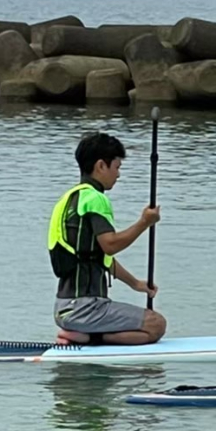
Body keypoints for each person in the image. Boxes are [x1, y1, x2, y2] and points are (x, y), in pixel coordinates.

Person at [48, 132, 166, 345]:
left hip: (64, 308)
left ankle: (81, 333)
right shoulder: (95, 198)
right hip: (84, 308)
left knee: (149, 325)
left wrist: (136, 284)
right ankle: (87, 337)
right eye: (117, 167)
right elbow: (110, 245)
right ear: (101, 166)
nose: (118, 175)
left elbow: (99, 256)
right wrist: (144, 223)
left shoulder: (70, 199)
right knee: (156, 325)